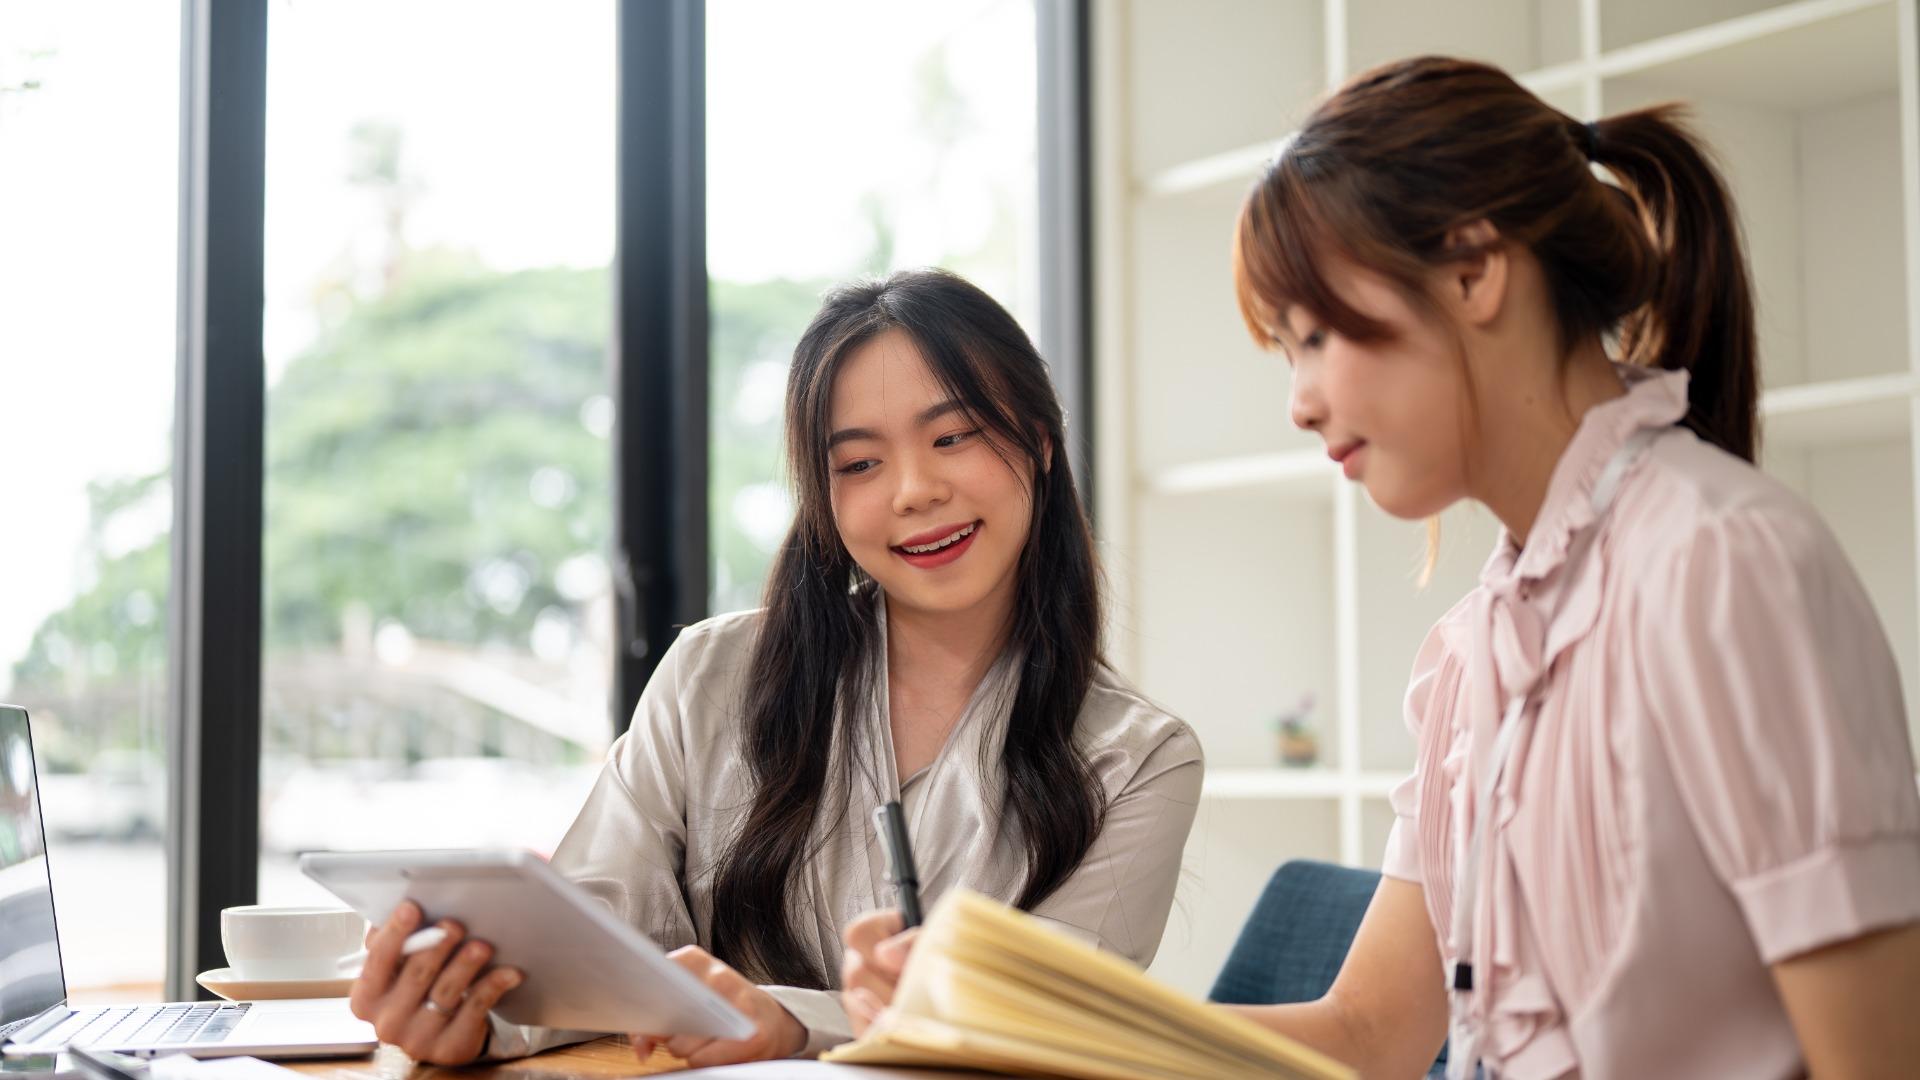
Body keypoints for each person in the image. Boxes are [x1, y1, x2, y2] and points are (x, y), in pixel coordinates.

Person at [844, 57, 1920, 1078]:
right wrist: (1010, 1025)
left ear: (1474, 270)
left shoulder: (1722, 565)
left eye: (1315, 336)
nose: (1300, 401)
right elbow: (1367, 1036)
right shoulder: (1474, 654)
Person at [345, 268, 1204, 1068]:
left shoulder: (1138, 757)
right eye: (859, 464)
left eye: (954, 436)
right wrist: (473, 1016)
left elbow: (1049, 1028)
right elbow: (594, 939)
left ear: (1042, 445)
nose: (912, 490)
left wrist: (794, 1023)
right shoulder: (710, 676)